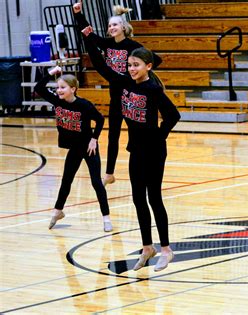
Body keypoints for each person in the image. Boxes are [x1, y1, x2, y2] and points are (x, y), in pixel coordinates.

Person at [83, 30, 181, 272]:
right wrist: (87, 36)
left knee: (154, 198)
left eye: (136, 65)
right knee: (138, 199)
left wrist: (159, 135)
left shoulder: (153, 89)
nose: (131, 69)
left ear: (148, 66)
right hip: (136, 148)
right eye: (129, 64)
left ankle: (166, 250)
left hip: (155, 150)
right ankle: (147, 247)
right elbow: (101, 66)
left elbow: (173, 115)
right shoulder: (125, 82)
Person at [73, 0, 162, 186]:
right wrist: (78, 14)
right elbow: (88, 35)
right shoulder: (107, 44)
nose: (111, 27)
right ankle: (109, 174)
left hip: (132, 97)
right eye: (109, 25)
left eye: (115, 24)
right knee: (113, 134)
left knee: (136, 134)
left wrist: (136, 78)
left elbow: (157, 60)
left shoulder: (133, 46)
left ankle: (146, 170)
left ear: (123, 27)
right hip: (115, 96)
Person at [34, 66, 113, 232]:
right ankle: (58, 211)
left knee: (96, 182)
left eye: (62, 87)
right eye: (57, 88)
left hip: (89, 148)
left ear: (73, 89)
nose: (59, 91)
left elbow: (99, 120)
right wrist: (51, 72)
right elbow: (38, 88)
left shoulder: (84, 105)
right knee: (66, 180)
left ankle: (106, 218)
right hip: (74, 148)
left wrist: (94, 139)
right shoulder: (57, 101)